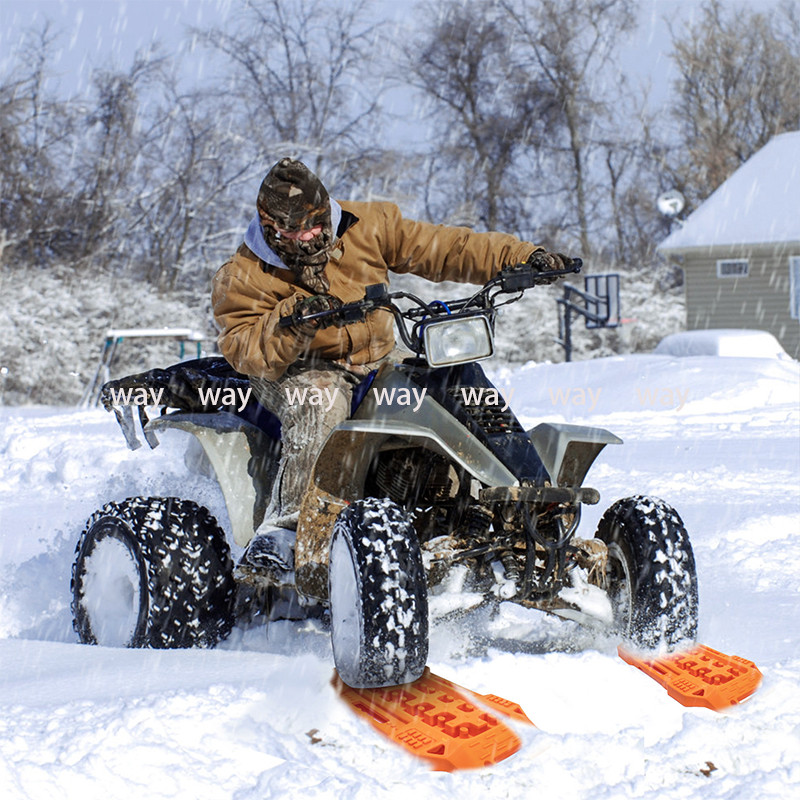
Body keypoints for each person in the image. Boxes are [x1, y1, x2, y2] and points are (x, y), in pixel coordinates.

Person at [212, 157, 570, 578]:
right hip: (298, 370)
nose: (309, 237)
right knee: (320, 400)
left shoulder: (370, 224)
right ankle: (289, 532)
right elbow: (243, 348)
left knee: (452, 375)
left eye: (315, 223)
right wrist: (294, 318)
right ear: (269, 226)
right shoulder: (242, 273)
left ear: (326, 208)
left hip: (377, 359)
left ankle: (530, 497)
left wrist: (522, 257)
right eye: (294, 231)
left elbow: (446, 247)